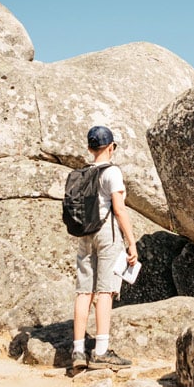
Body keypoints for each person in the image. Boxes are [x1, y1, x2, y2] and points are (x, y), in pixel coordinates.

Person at [71, 125, 138, 370]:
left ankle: (78, 350)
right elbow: (119, 209)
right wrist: (131, 241)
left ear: (90, 148)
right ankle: (100, 350)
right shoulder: (112, 173)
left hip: (85, 235)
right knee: (105, 292)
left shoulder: (82, 173)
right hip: (107, 235)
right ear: (111, 147)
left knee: (83, 292)